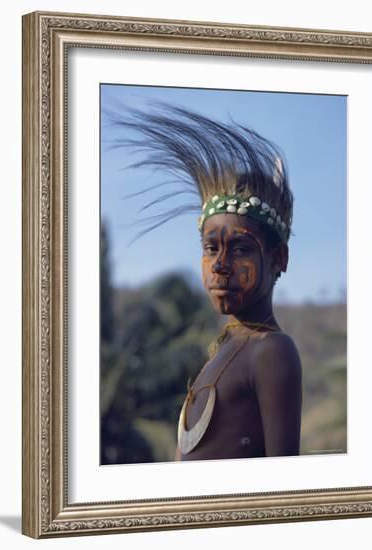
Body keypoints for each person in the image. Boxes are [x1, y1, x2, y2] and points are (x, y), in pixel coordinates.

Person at [112, 101, 302, 461]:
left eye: (240, 248)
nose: (219, 265)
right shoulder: (224, 348)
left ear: (278, 258)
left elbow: (284, 485)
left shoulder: (271, 350)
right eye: (211, 248)